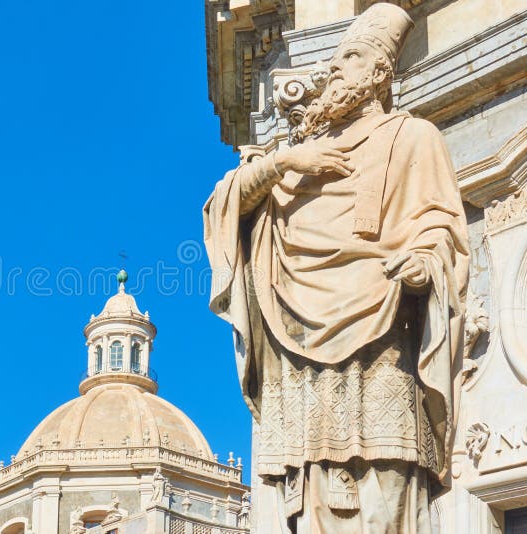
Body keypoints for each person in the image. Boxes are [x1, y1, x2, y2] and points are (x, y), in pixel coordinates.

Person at [203, 3, 469, 531]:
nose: (331, 70)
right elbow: (222, 207)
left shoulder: (412, 137)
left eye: (348, 58)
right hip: (298, 349)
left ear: (378, 74)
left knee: (387, 489)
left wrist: (422, 262)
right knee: (313, 494)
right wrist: (283, 161)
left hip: (382, 332)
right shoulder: (298, 158)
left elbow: (442, 227)